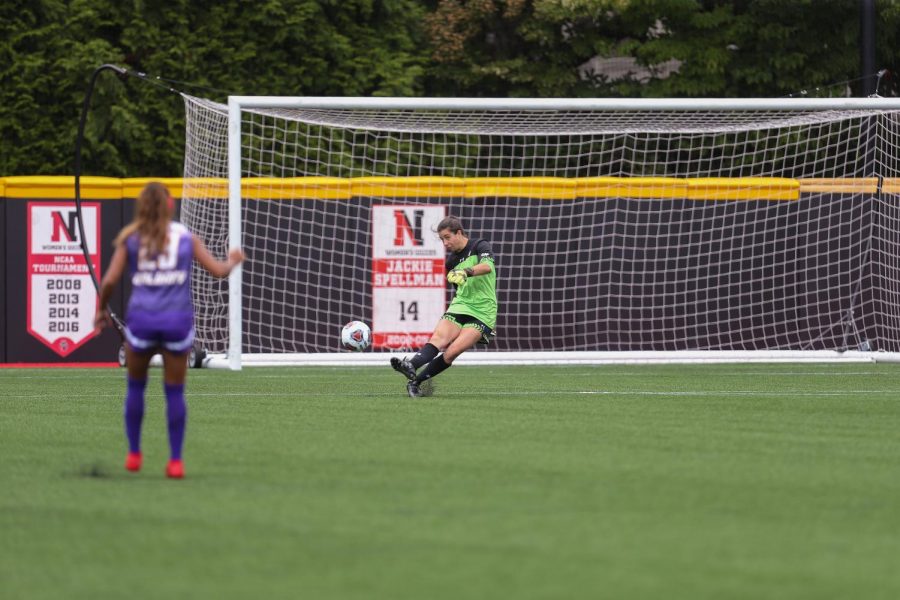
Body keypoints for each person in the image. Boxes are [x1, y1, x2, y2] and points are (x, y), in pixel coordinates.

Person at [94, 181, 244, 479]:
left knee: (136, 387)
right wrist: (233, 261)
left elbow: (110, 280)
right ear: (170, 206)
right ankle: (175, 461)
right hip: (176, 322)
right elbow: (217, 271)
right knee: (174, 392)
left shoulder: (131, 238)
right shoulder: (185, 237)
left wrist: (100, 309)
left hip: (143, 322)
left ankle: (134, 455)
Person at [391, 215, 497, 397]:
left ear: (459, 233)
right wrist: (456, 275)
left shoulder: (479, 245)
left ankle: (415, 383)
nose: (445, 243)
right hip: (461, 305)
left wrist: (465, 271)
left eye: (447, 237)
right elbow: (461, 288)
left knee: (451, 352)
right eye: (442, 239)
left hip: (483, 310)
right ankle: (410, 365)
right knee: (438, 339)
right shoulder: (451, 262)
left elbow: (487, 267)